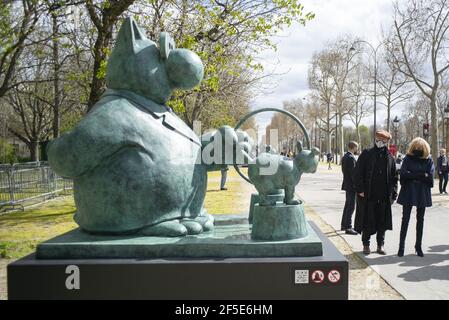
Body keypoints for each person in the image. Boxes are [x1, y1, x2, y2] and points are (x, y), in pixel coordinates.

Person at [354, 130, 398, 255]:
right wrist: (360, 189)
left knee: (382, 223)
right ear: (375, 139)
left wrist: (394, 193)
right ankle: (366, 244)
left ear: (387, 142)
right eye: (379, 139)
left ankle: (380, 245)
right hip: (369, 195)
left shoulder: (389, 157)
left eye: (384, 141)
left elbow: (395, 177)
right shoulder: (367, 154)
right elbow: (358, 173)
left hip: (384, 196)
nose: (380, 142)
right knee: (368, 221)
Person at [397, 138, 434, 257]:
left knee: (420, 220)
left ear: (425, 148)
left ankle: (418, 246)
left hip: (422, 192)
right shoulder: (407, 158)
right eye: (416, 147)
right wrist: (422, 175)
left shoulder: (428, 160)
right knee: (405, 219)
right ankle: (401, 247)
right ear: (413, 147)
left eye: (420, 147)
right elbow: (403, 174)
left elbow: (430, 178)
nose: (418, 149)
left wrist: (412, 175)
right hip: (409, 191)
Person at [340, 141, 359, 235]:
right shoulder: (351, 158)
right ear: (354, 147)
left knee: (347, 205)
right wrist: (358, 185)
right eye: (357, 147)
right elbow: (354, 174)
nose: (357, 149)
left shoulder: (345, 156)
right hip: (351, 185)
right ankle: (348, 226)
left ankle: (344, 224)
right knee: (351, 207)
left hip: (347, 184)